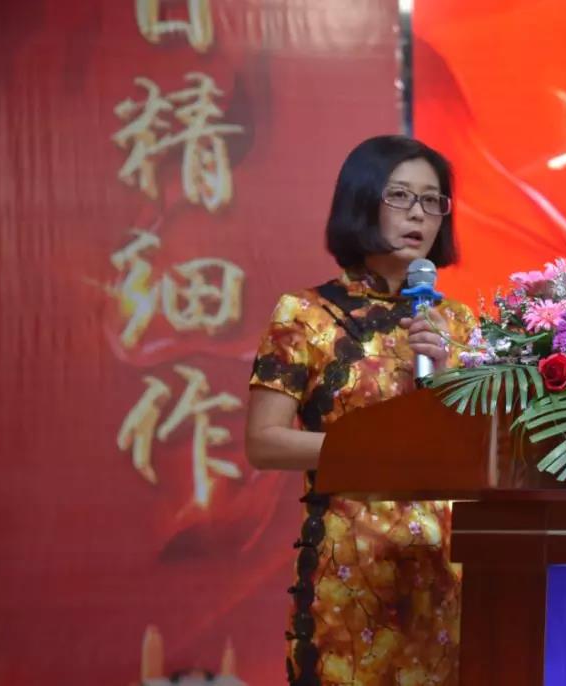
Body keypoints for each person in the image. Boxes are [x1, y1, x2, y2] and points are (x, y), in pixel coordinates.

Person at [245, 135, 477, 686]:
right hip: (350, 578)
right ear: (362, 200)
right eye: (400, 196)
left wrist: (449, 373)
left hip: (444, 575)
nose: (418, 214)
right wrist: (376, 453)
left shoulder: (459, 323)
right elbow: (264, 442)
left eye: (432, 200)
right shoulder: (306, 314)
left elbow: (480, 449)